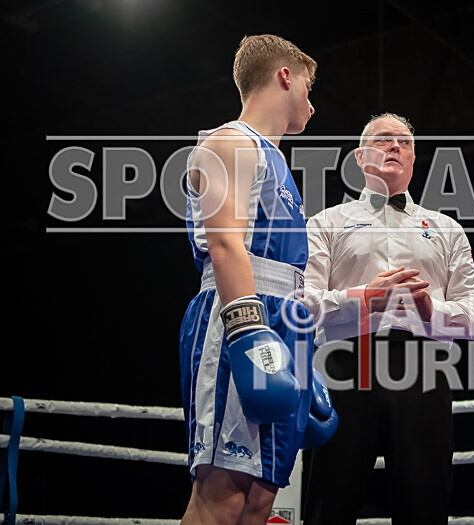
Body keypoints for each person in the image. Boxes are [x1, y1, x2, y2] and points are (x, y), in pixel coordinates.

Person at [302, 113, 474, 525]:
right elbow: (305, 305)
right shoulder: (324, 223)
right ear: (358, 157)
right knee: (328, 501)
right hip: (343, 365)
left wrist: (431, 311)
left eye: (404, 142)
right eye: (383, 139)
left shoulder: (446, 228)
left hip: (424, 367)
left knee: (425, 502)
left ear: (413, 158)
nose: (395, 147)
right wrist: (364, 299)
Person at [178, 34, 319, 524]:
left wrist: (300, 350)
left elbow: (286, 274)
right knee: (223, 494)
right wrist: (249, 335)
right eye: (307, 84)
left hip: (280, 322)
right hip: (238, 320)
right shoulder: (230, 141)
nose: (312, 102)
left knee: (260, 499)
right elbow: (225, 243)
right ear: (285, 75)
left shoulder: (276, 161)